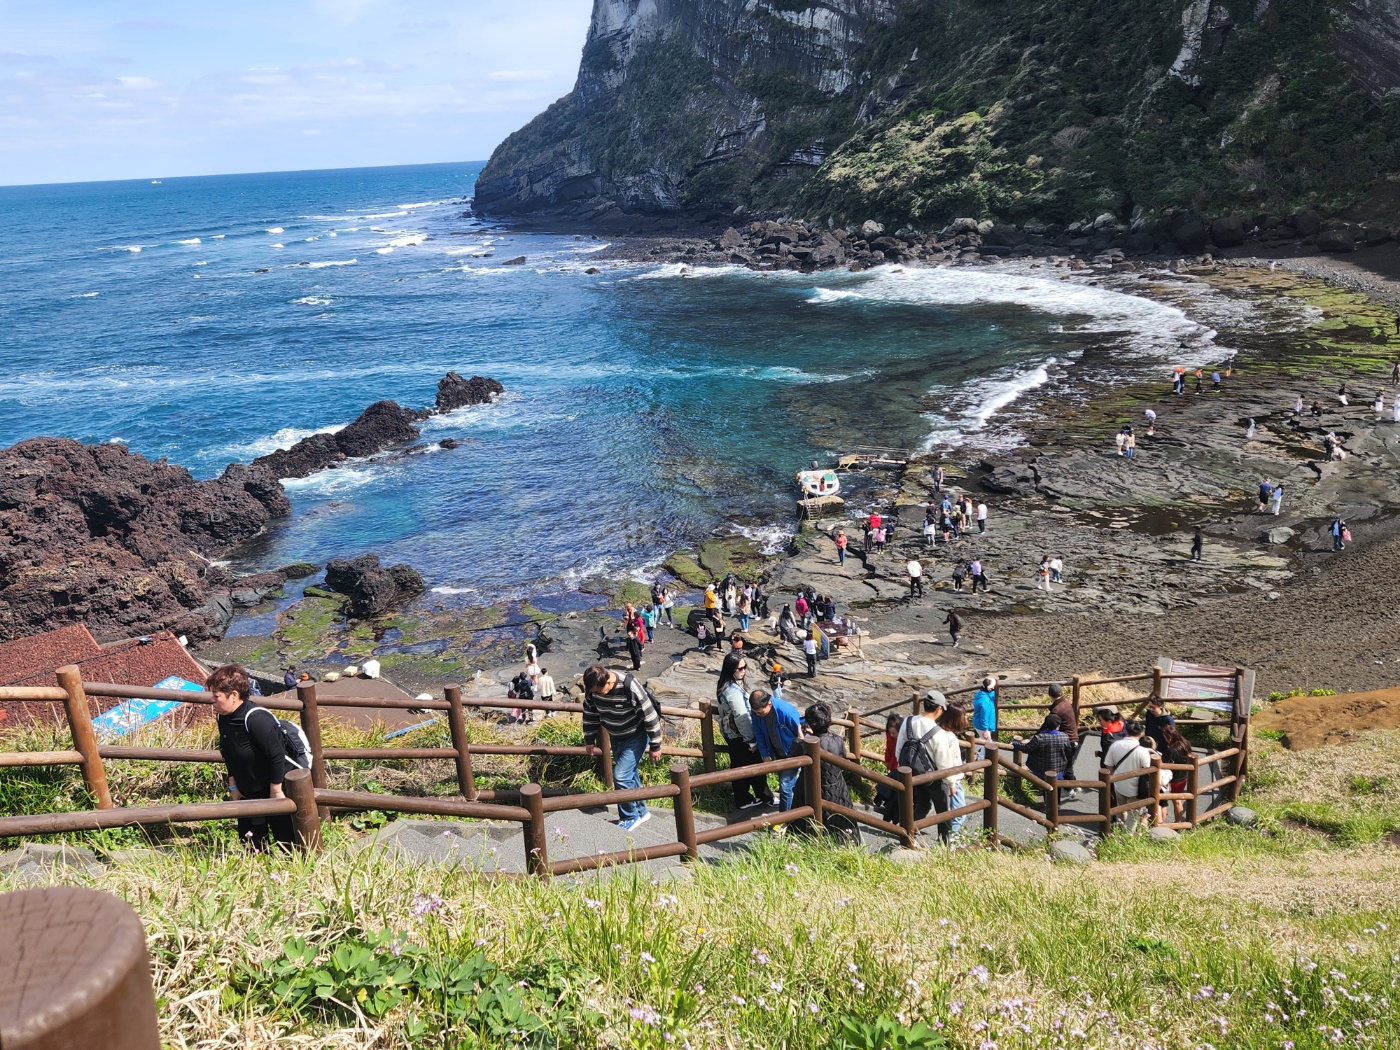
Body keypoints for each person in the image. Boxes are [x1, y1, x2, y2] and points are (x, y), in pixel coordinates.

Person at [210, 663, 296, 851]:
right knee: (252, 846)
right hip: (246, 791)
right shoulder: (222, 717)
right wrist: (234, 786)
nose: (212, 701)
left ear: (233, 695)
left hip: (273, 789)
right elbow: (229, 754)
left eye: (216, 696)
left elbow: (276, 756)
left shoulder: (256, 719)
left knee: (287, 841)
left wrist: (276, 789)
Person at [582, 665, 663, 831]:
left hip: (636, 734)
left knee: (620, 776)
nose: (596, 695)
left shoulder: (629, 686)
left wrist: (655, 745)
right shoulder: (592, 690)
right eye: (593, 692)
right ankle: (641, 811)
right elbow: (590, 713)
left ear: (609, 681)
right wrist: (589, 739)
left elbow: (649, 715)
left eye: (598, 691)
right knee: (629, 774)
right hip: (616, 734)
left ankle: (629, 816)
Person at [799, 702, 862, 845]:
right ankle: (845, 845)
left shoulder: (804, 744)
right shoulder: (838, 741)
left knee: (807, 820)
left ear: (809, 724)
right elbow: (843, 757)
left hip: (808, 789)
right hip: (836, 788)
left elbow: (791, 757)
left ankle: (810, 845)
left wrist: (802, 737)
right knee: (841, 823)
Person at [715, 651, 771, 810]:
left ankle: (744, 799)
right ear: (730, 669)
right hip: (740, 736)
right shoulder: (732, 691)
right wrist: (751, 739)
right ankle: (763, 797)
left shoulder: (724, 685)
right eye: (740, 668)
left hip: (731, 734)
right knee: (754, 766)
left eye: (745, 667)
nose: (744, 670)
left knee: (739, 767)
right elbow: (741, 716)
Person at [894, 693, 948, 833]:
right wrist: (951, 782)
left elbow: (899, 749)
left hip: (911, 773)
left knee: (922, 804)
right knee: (942, 810)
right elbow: (943, 764)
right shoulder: (939, 733)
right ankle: (945, 841)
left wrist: (904, 767)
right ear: (939, 709)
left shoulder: (908, 721)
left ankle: (907, 833)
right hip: (932, 777)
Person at [750, 689, 803, 811]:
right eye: (755, 712)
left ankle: (784, 818)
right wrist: (765, 755)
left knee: (785, 786)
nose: (757, 715)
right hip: (777, 752)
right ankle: (794, 810)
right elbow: (759, 733)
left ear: (769, 704)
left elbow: (801, 731)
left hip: (792, 753)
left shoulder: (786, 712)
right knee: (788, 785)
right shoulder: (756, 711)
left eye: (760, 712)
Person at [1102, 720, 1159, 829]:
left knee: (1121, 809)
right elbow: (1147, 770)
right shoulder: (1142, 751)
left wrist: (1115, 777)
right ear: (1141, 733)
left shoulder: (1115, 745)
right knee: (1133, 816)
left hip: (1118, 784)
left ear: (1126, 731)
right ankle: (1127, 837)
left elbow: (1108, 765)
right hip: (1136, 789)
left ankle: (1118, 830)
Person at [1012, 714, 1075, 802]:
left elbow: (1027, 748)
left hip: (1042, 768)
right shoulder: (1064, 737)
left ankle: (1048, 804)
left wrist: (1016, 744)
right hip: (1059, 768)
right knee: (1057, 785)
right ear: (1058, 726)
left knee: (1046, 786)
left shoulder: (1039, 738)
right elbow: (1068, 752)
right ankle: (1057, 804)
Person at [935, 701, 971, 834]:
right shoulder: (950, 738)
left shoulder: (937, 731)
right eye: (963, 717)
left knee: (948, 812)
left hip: (941, 779)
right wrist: (952, 784)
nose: (965, 720)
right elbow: (946, 763)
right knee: (959, 813)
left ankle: (946, 840)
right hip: (952, 780)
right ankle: (950, 841)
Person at [1156, 722, 1193, 825]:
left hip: (1174, 778)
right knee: (1178, 800)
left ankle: (1176, 822)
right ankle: (1178, 821)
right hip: (1183, 776)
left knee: (1174, 801)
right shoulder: (1186, 743)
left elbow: (1165, 764)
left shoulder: (1171, 750)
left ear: (1169, 737)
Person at [875, 711, 904, 823]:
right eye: (890, 732)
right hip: (893, 764)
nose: (891, 735)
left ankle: (893, 813)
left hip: (901, 766)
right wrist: (887, 760)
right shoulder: (889, 735)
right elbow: (888, 748)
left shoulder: (904, 738)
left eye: (894, 733)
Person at [971, 676, 997, 759]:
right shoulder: (985, 702)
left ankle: (971, 752)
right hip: (982, 725)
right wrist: (985, 729)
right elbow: (984, 716)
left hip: (978, 722)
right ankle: (981, 760)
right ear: (991, 688)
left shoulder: (981, 694)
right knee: (988, 743)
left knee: (982, 740)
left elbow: (991, 694)